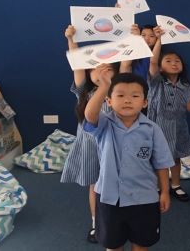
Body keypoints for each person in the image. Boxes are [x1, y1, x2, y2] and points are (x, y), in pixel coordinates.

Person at [85, 71, 175, 251]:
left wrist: (165, 191)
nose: (127, 100)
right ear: (109, 101)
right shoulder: (104, 124)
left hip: (144, 198)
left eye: (135, 96)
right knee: (113, 245)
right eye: (120, 95)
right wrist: (103, 87)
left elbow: (162, 163)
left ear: (144, 102)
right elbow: (89, 115)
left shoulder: (152, 129)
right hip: (110, 199)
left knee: (141, 244)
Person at [60, 24, 116, 243]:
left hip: (113, 146)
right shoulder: (85, 92)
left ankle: (116, 219)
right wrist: (71, 40)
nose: (102, 70)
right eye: (97, 67)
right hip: (90, 145)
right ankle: (96, 222)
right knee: (95, 184)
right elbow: (77, 64)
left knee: (113, 183)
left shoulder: (120, 93)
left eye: (108, 67)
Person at [146, 37, 190, 201]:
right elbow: (152, 62)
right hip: (157, 127)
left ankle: (176, 185)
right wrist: (158, 39)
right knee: (157, 160)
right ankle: (159, 187)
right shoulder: (156, 83)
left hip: (178, 129)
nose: (174, 63)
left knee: (176, 158)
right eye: (168, 60)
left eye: (177, 61)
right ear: (160, 67)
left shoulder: (186, 86)